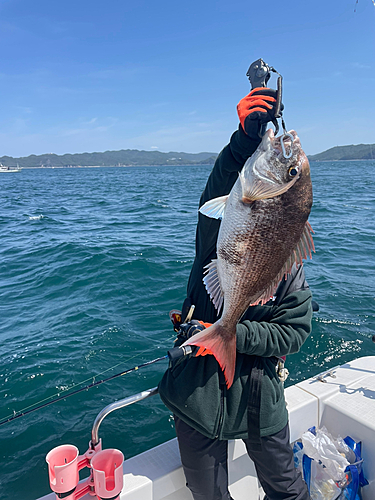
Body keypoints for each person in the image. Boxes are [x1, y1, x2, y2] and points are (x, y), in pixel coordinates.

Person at [158, 86, 313, 500]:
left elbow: (295, 332)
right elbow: (218, 192)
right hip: (197, 394)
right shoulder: (217, 232)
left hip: (260, 398)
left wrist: (231, 334)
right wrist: (244, 139)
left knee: (289, 491)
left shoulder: (289, 265)